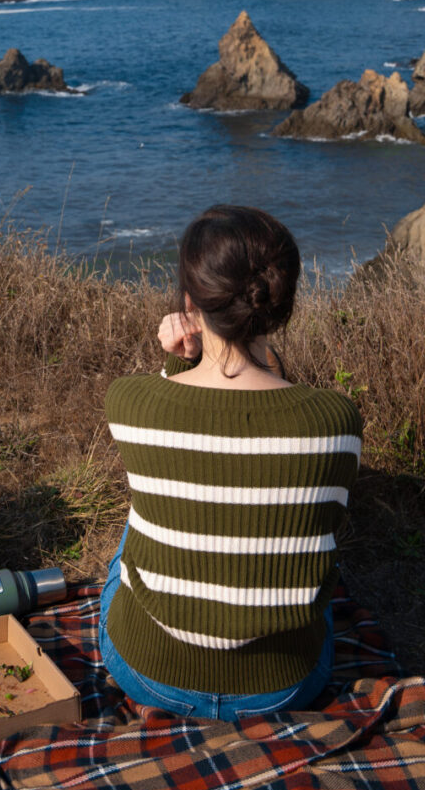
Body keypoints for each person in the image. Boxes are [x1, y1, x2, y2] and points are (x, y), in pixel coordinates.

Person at [100, 204, 362, 719]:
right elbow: (269, 406)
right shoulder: (335, 420)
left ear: (189, 302)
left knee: (137, 525)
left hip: (149, 673)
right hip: (283, 686)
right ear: (282, 305)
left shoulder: (129, 402)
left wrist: (182, 357)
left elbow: (187, 415)